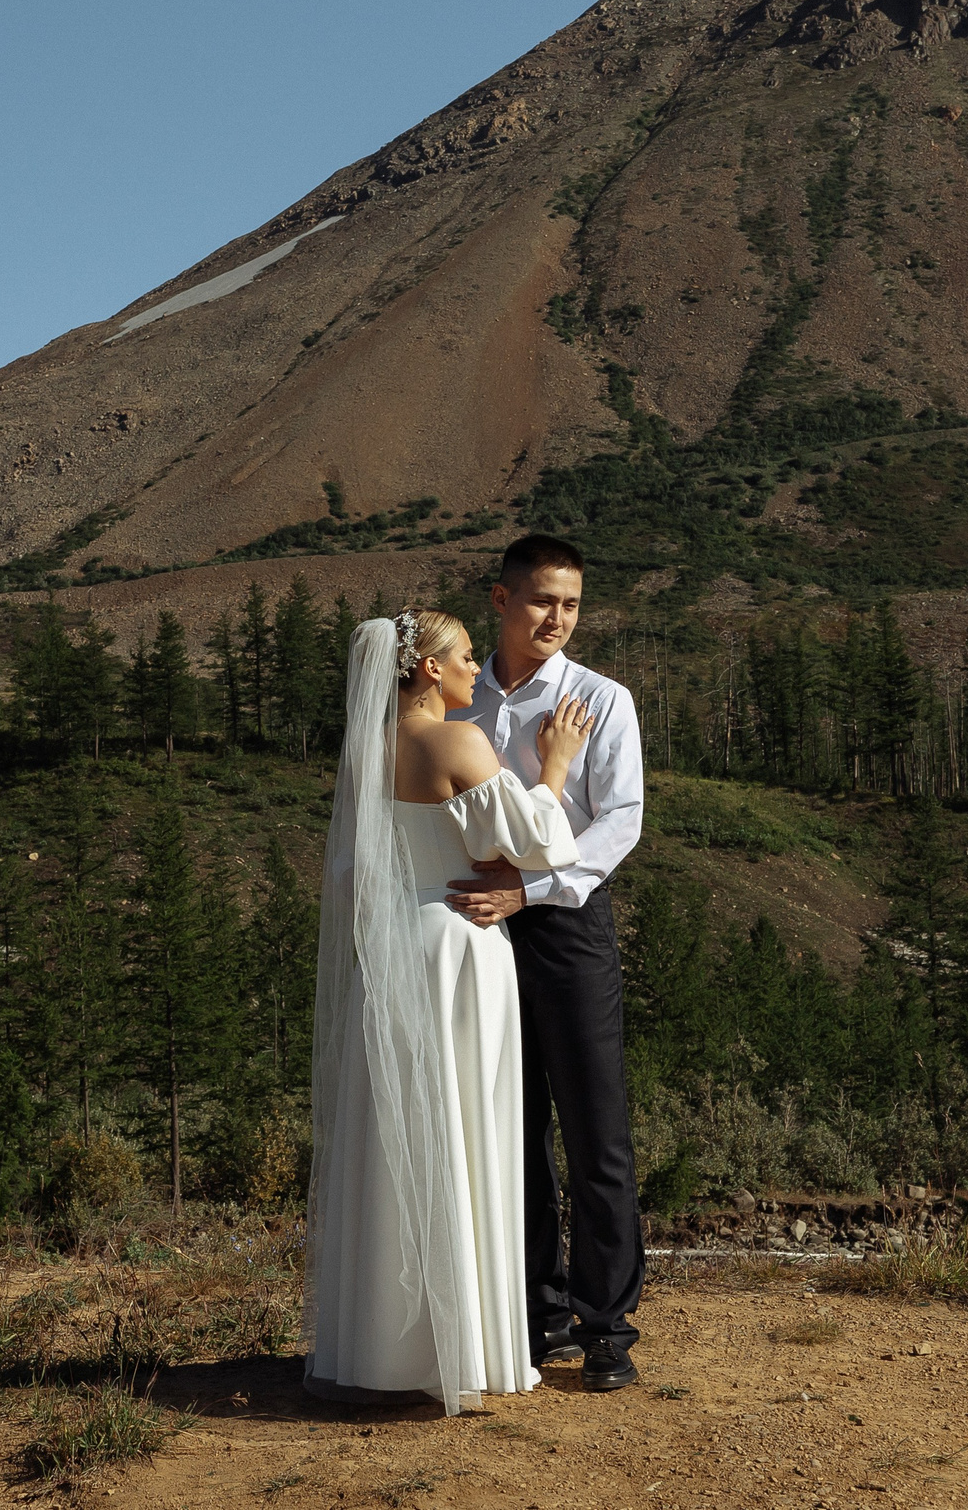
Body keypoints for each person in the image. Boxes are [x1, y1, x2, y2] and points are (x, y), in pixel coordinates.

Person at [304, 610, 592, 1413]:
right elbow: (538, 842)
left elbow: (348, 870)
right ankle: (466, 1343)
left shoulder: (367, 753)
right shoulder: (460, 741)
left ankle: (386, 1347)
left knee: (400, 1139)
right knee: (467, 1130)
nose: (476, 668)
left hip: (395, 949)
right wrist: (556, 766)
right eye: (465, 657)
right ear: (427, 669)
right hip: (459, 948)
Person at [447, 532, 646, 1389]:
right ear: (500, 601)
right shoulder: (458, 700)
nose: (558, 618)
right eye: (541, 601)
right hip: (478, 927)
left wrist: (529, 890)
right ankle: (537, 1310)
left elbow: (620, 822)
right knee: (512, 1125)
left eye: (570, 603)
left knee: (596, 1126)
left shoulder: (604, 698)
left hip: (565, 925)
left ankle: (608, 1326)